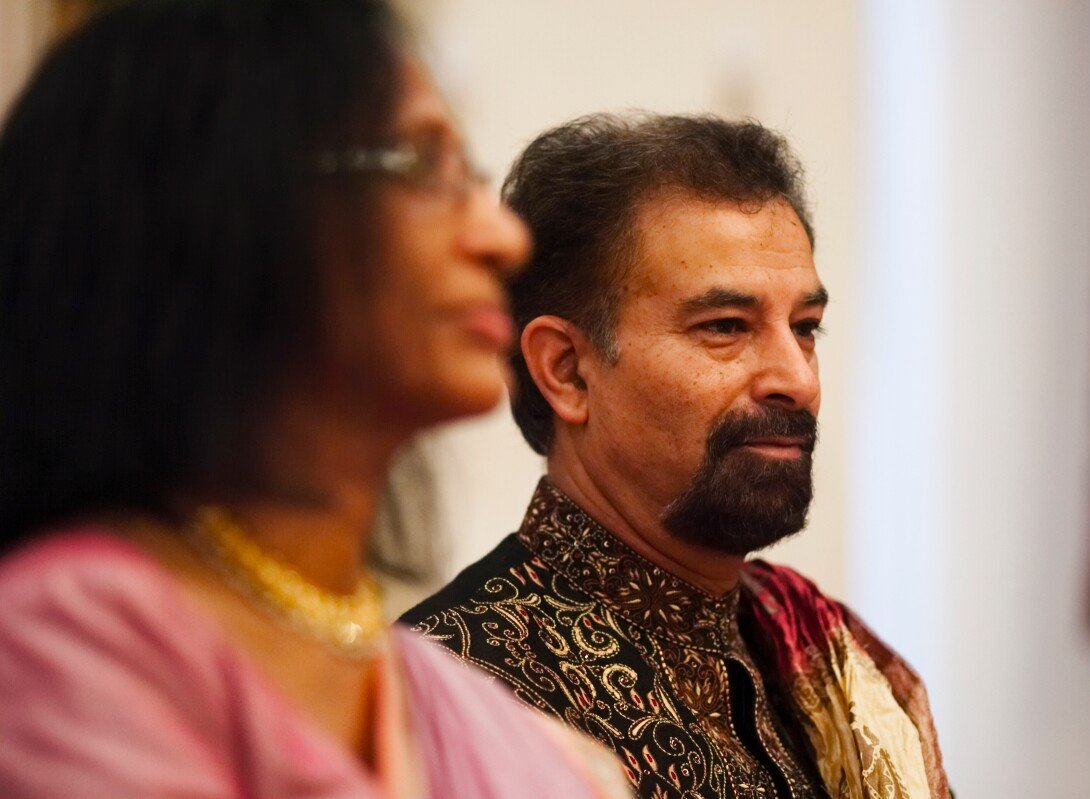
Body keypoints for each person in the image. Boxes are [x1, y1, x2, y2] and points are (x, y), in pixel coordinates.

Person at [0, 2, 629, 796]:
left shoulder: (494, 726)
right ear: (221, 205)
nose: (503, 239)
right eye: (422, 165)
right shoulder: (69, 638)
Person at [403, 114, 951, 799]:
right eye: (726, 327)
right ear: (567, 371)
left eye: (806, 327)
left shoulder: (828, 654)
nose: (798, 378)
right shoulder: (451, 705)